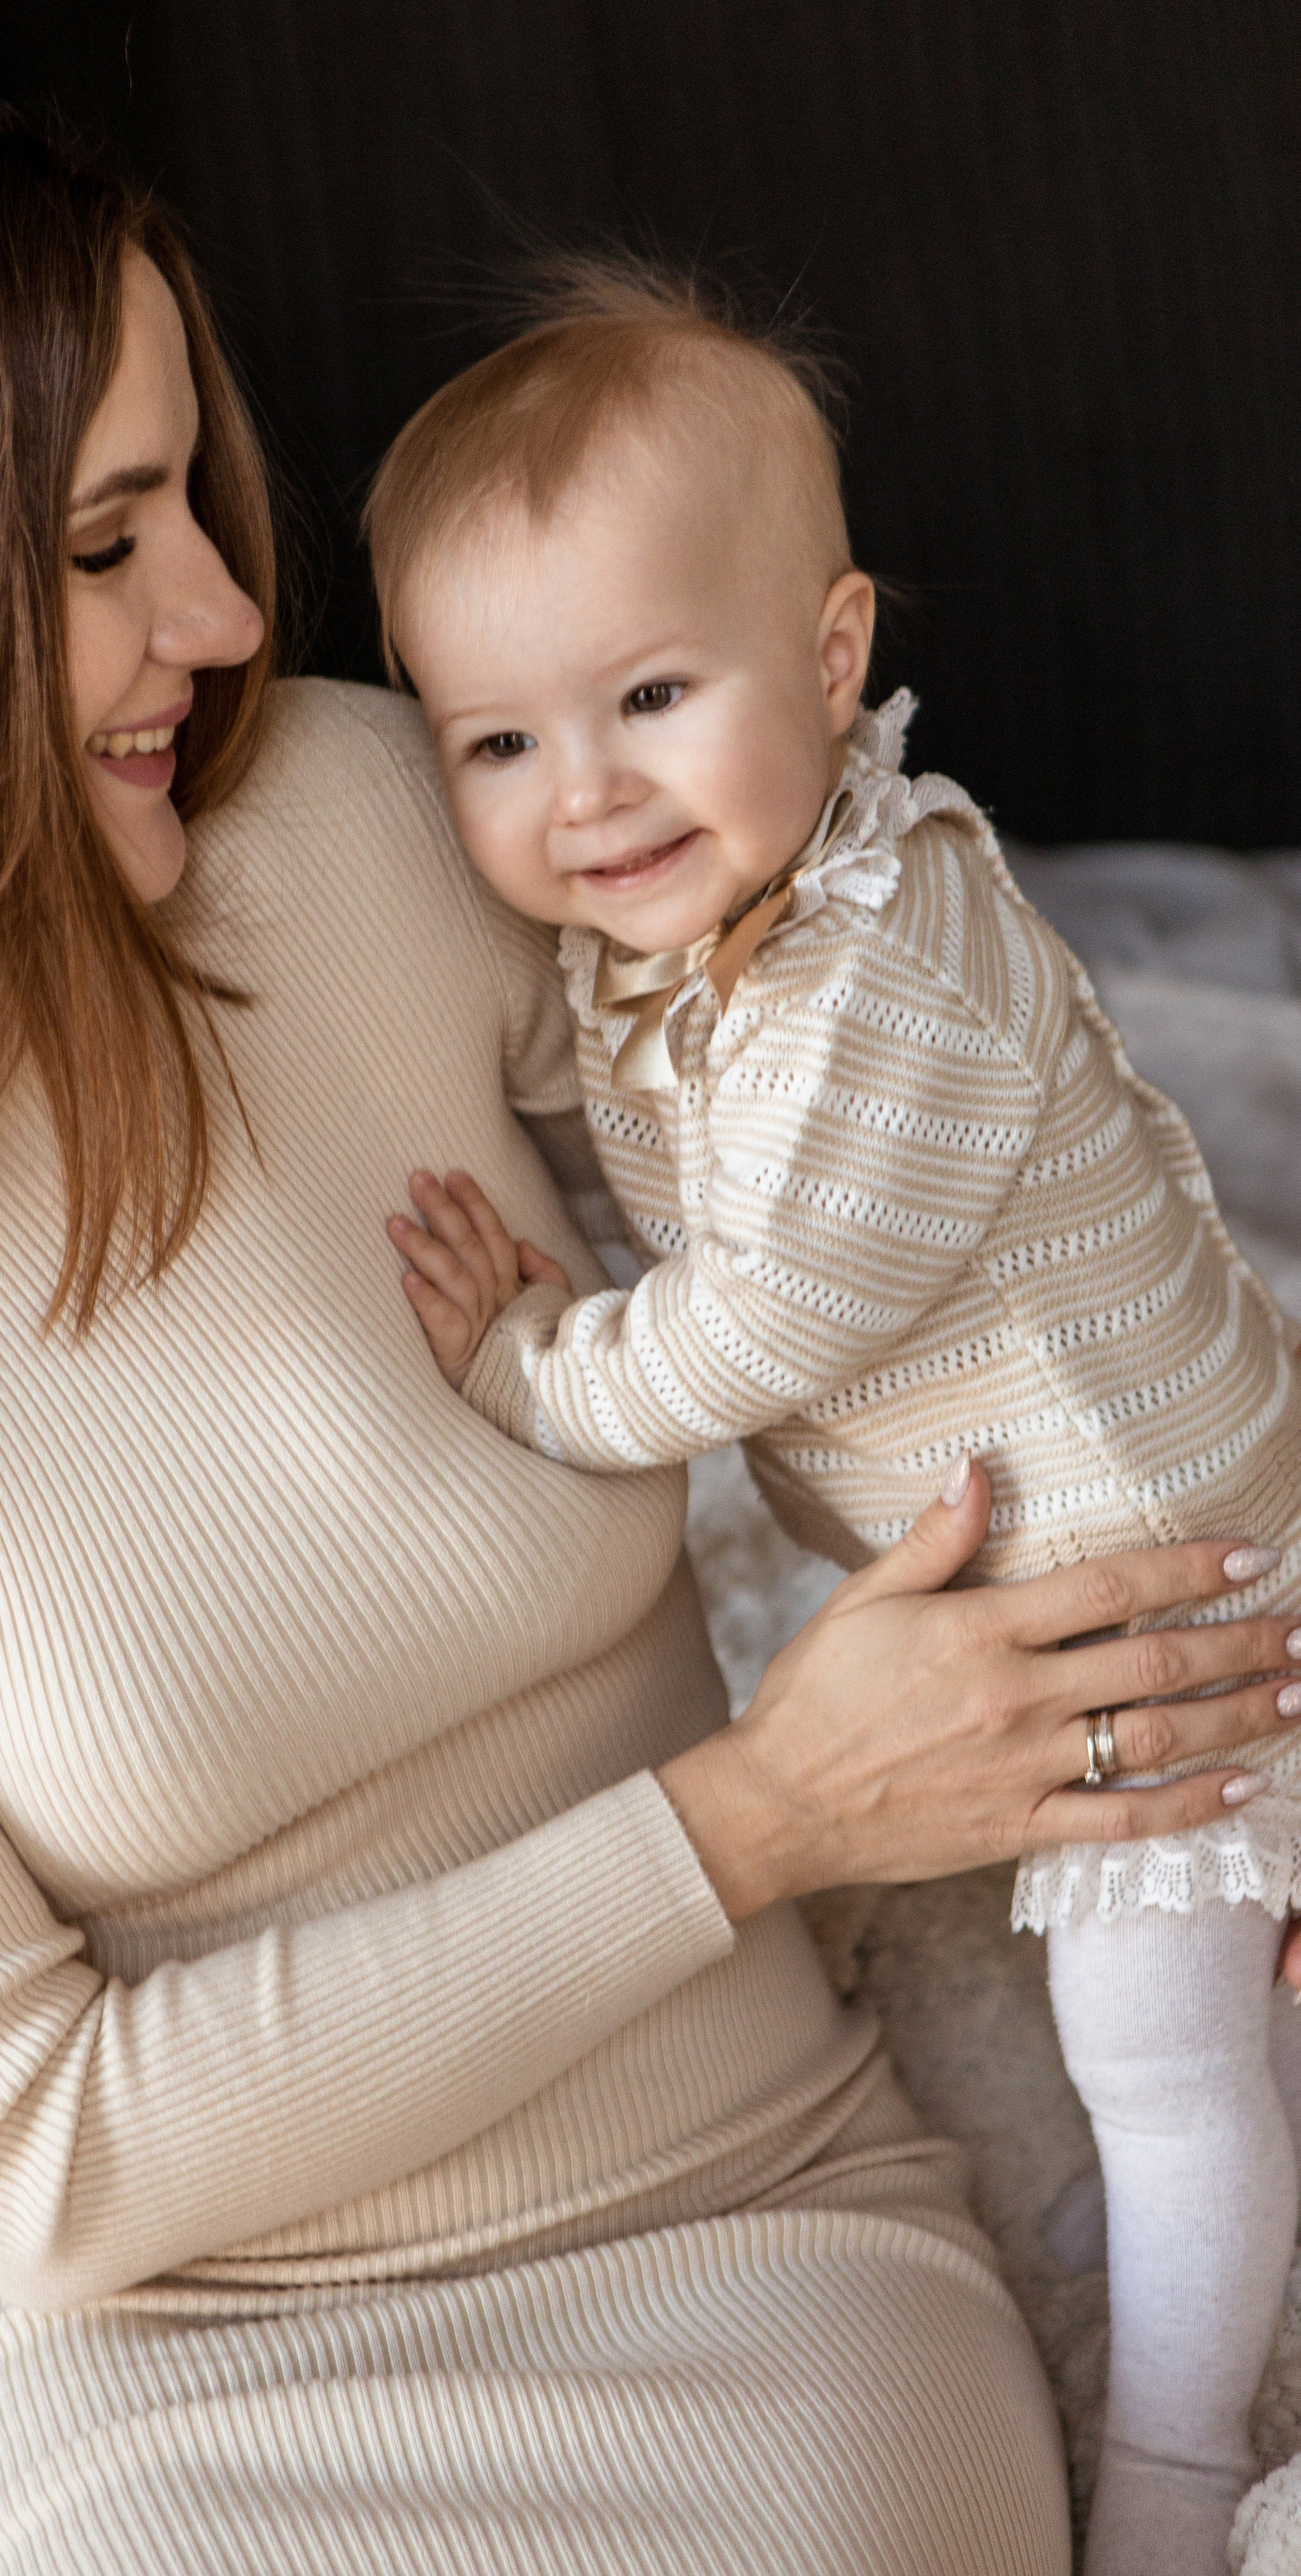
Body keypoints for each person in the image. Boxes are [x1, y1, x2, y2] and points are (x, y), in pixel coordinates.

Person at [0, 73, 1288, 2576]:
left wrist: (1250, 1684)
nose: (226, 616)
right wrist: (768, 1813)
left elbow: (961, 1140)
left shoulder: (361, 823)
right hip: (150, 2377)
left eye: (191, 505)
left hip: (741, 2246)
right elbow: (35, 2159)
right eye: (106, 545)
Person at [369, 262, 1301, 2576]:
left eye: (648, 697)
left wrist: (527, 1366)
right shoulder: (701, 928)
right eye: (495, 745)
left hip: (1165, 1587)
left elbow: (758, 1324)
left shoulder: (887, 974)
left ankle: (1180, 2471)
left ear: (827, 652)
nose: (587, 793)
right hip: (1108, 1523)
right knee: (1206, 2019)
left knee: (1158, 2048)